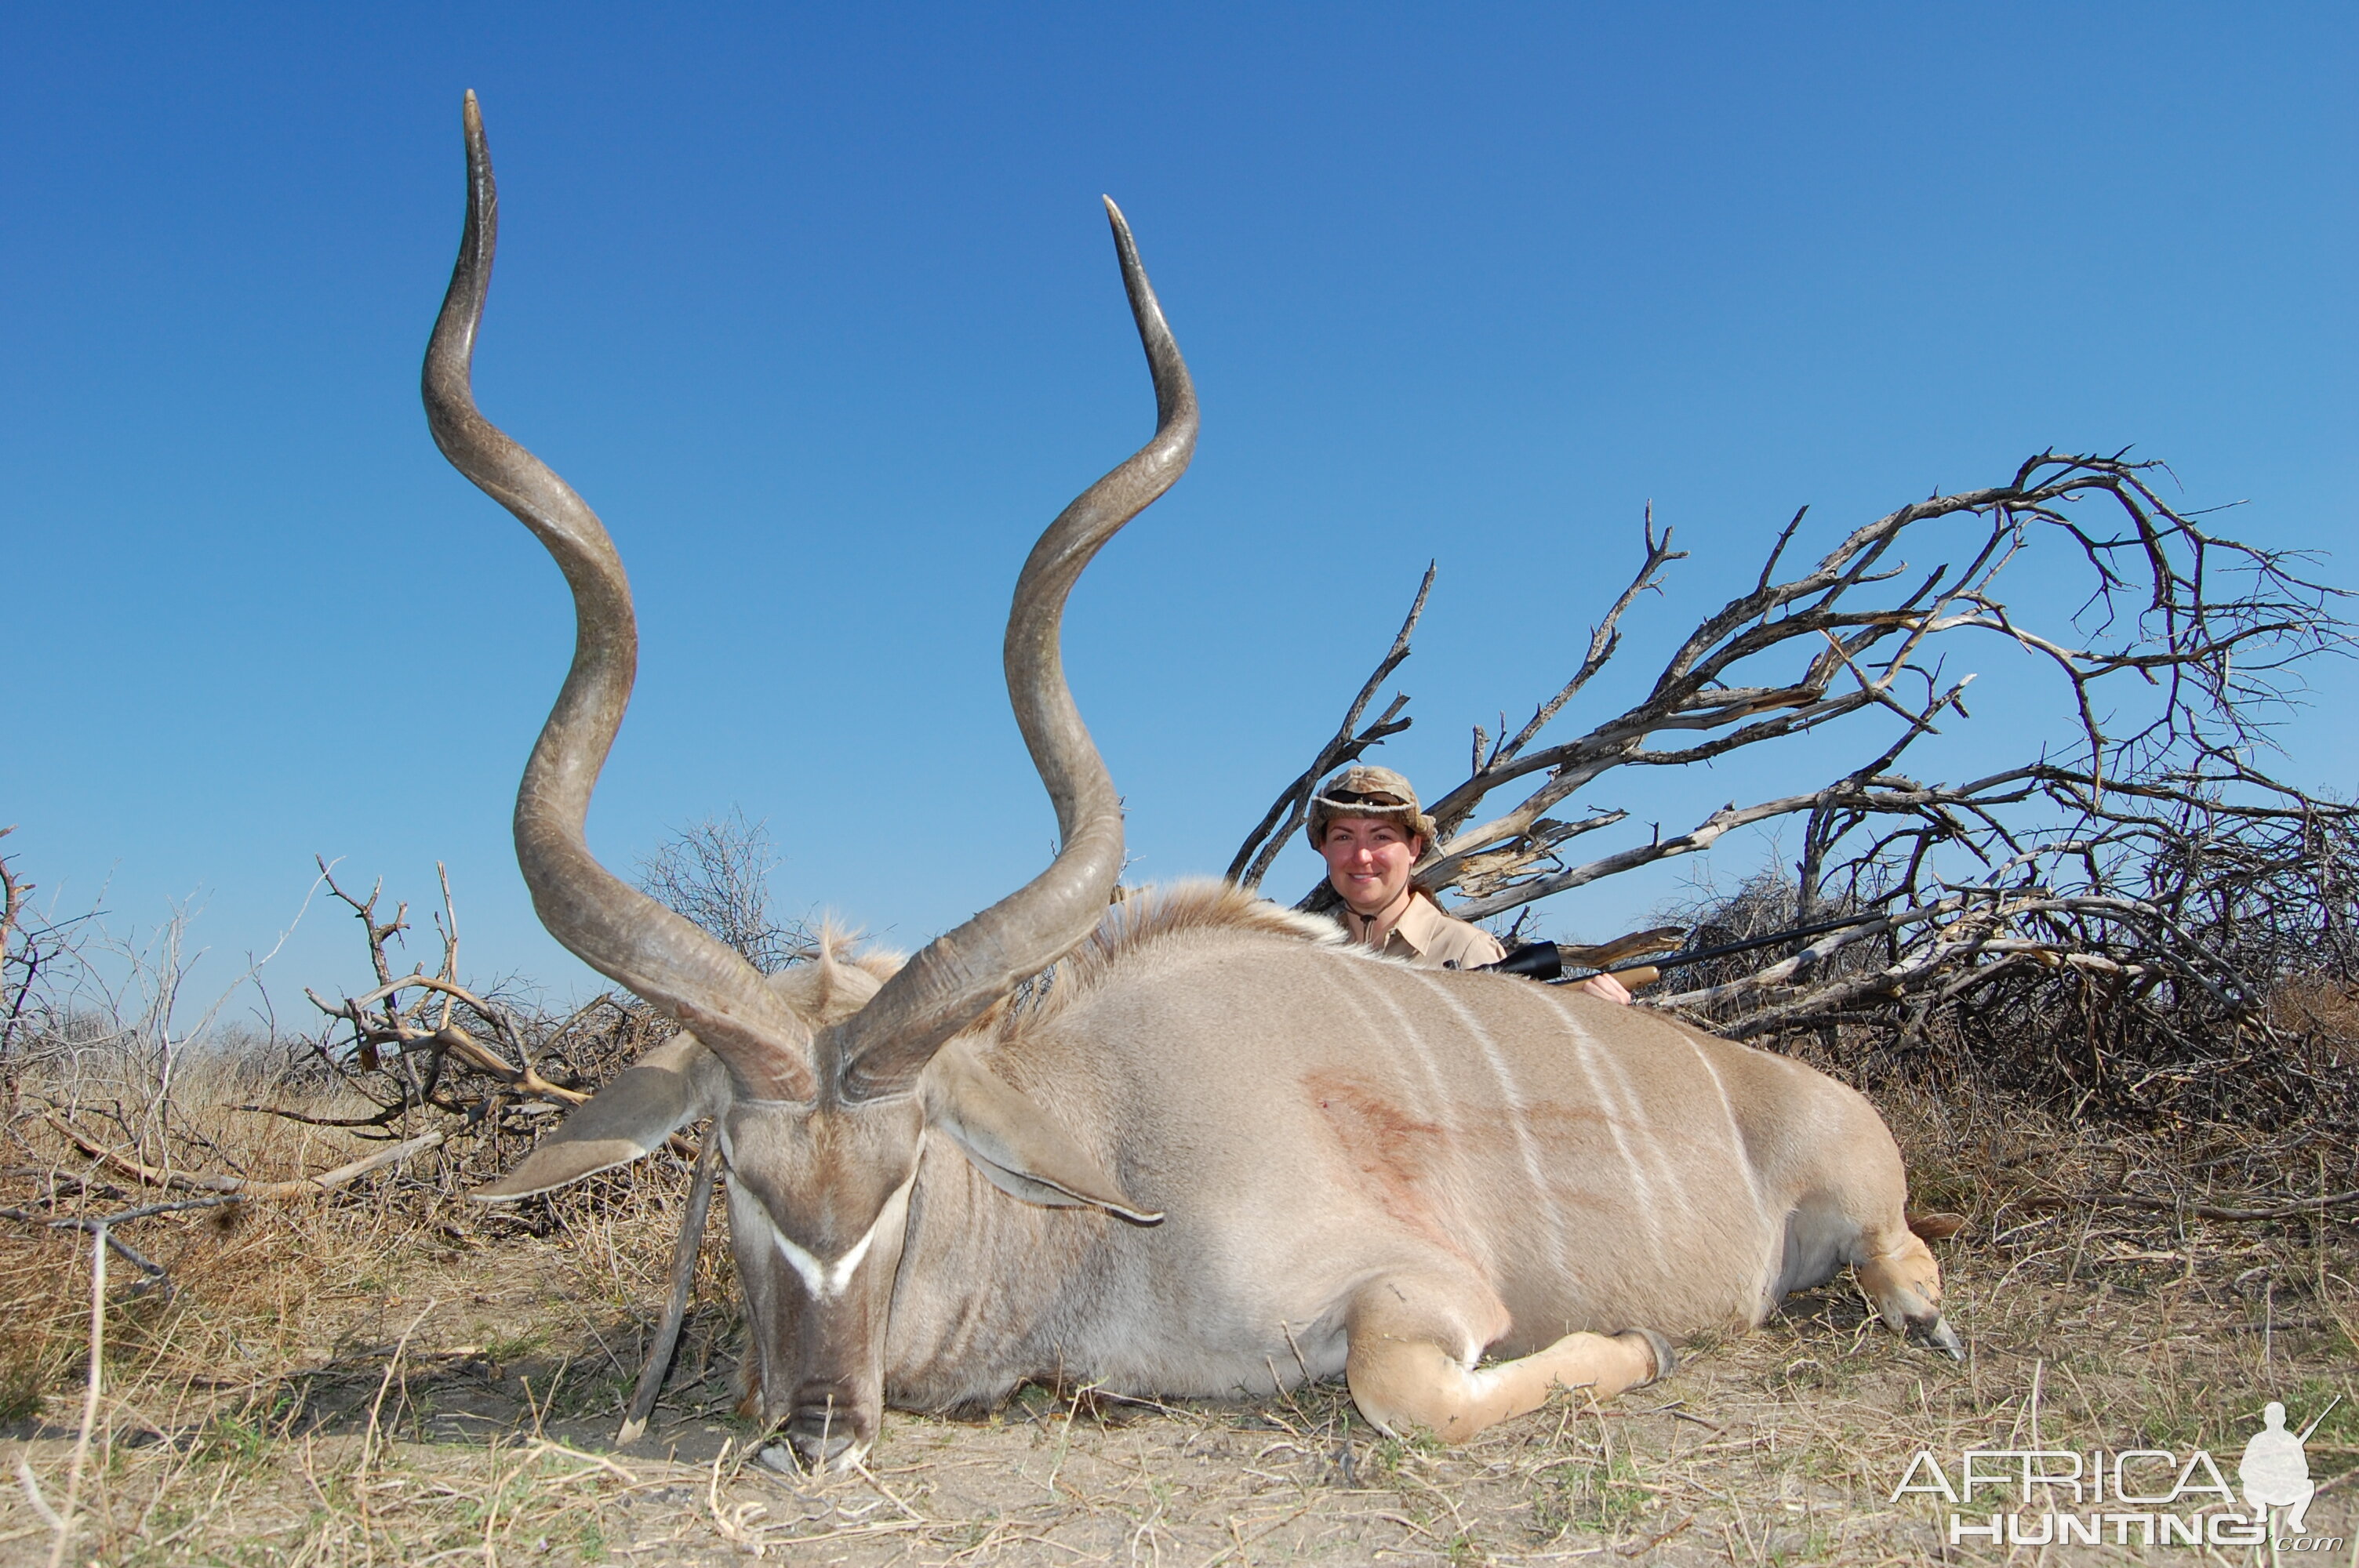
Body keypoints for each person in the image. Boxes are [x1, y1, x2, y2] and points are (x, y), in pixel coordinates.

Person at [1309, 765, 1633, 1002]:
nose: (1362, 855)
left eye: (1381, 837)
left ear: (1413, 848)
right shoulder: (1312, 955)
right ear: (1324, 848)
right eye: (1343, 837)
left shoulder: (1467, 951)